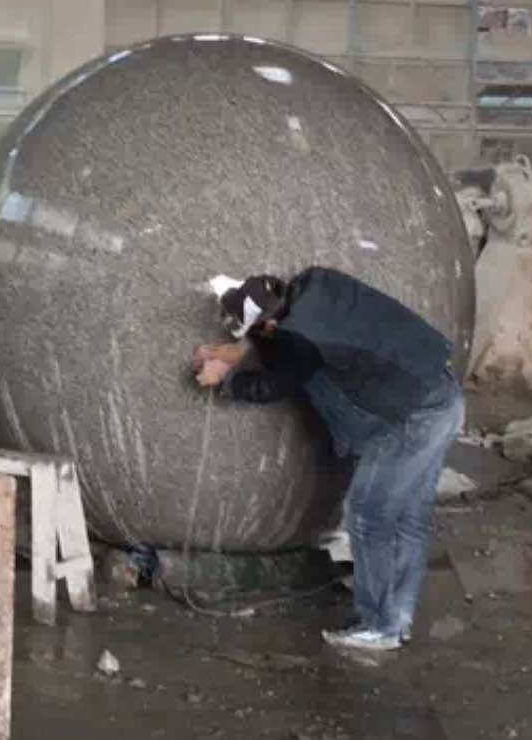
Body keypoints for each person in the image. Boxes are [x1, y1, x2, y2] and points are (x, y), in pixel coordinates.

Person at [191, 267, 465, 653]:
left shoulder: (302, 343)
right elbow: (290, 344)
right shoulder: (312, 283)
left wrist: (227, 379)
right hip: (442, 393)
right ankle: (395, 619)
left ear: (269, 323)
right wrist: (236, 352)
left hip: (414, 417)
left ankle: (380, 626)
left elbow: (275, 382)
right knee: (408, 515)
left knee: (369, 514)